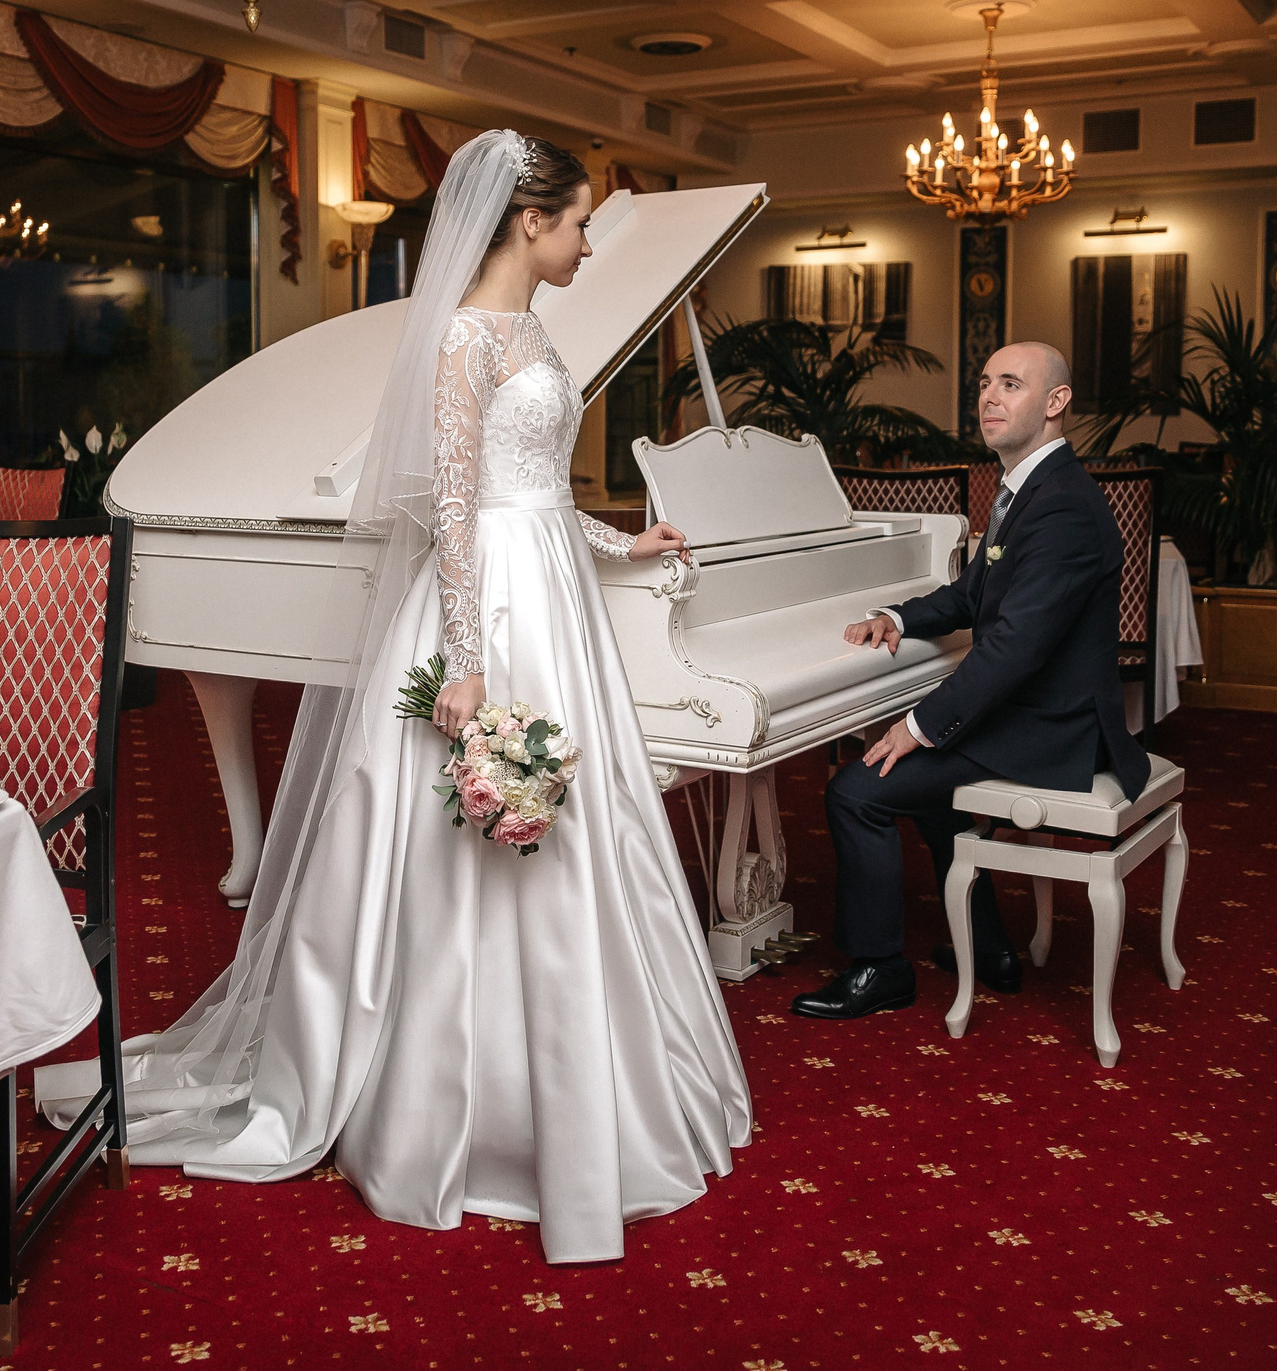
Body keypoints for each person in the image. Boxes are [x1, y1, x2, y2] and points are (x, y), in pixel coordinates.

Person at [37, 131, 751, 1264]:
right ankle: (446, 1098)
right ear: (529, 221)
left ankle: (594, 1079)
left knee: (583, 823)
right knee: (461, 832)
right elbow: (456, 510)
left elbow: (533, 489)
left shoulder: (536, 331)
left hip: (551, 588)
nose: (584, 244)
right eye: (576, 224)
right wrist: (466, 661)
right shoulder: (462, 338)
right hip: (487, 605)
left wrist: (622, 542)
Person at [791, 341, 1149, 1020]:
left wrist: (919, 724)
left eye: (1011, 384)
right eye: (985, 382)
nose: (988, 396)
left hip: (1054, 728)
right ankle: (988, 947)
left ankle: (878, 967)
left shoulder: (1063, 506)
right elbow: (972, 595)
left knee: (856, 791)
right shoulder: (1031, 488)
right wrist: (897, 617)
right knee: (930, 791)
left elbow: (1013, 647)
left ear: (1056, 402)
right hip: (1035, 709)